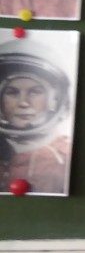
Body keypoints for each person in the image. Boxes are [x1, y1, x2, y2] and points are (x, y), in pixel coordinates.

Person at [0, 36, 74, 195]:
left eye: (35, 92)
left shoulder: (67, 160)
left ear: (56, 100)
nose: (23, 103)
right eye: (12, 92)